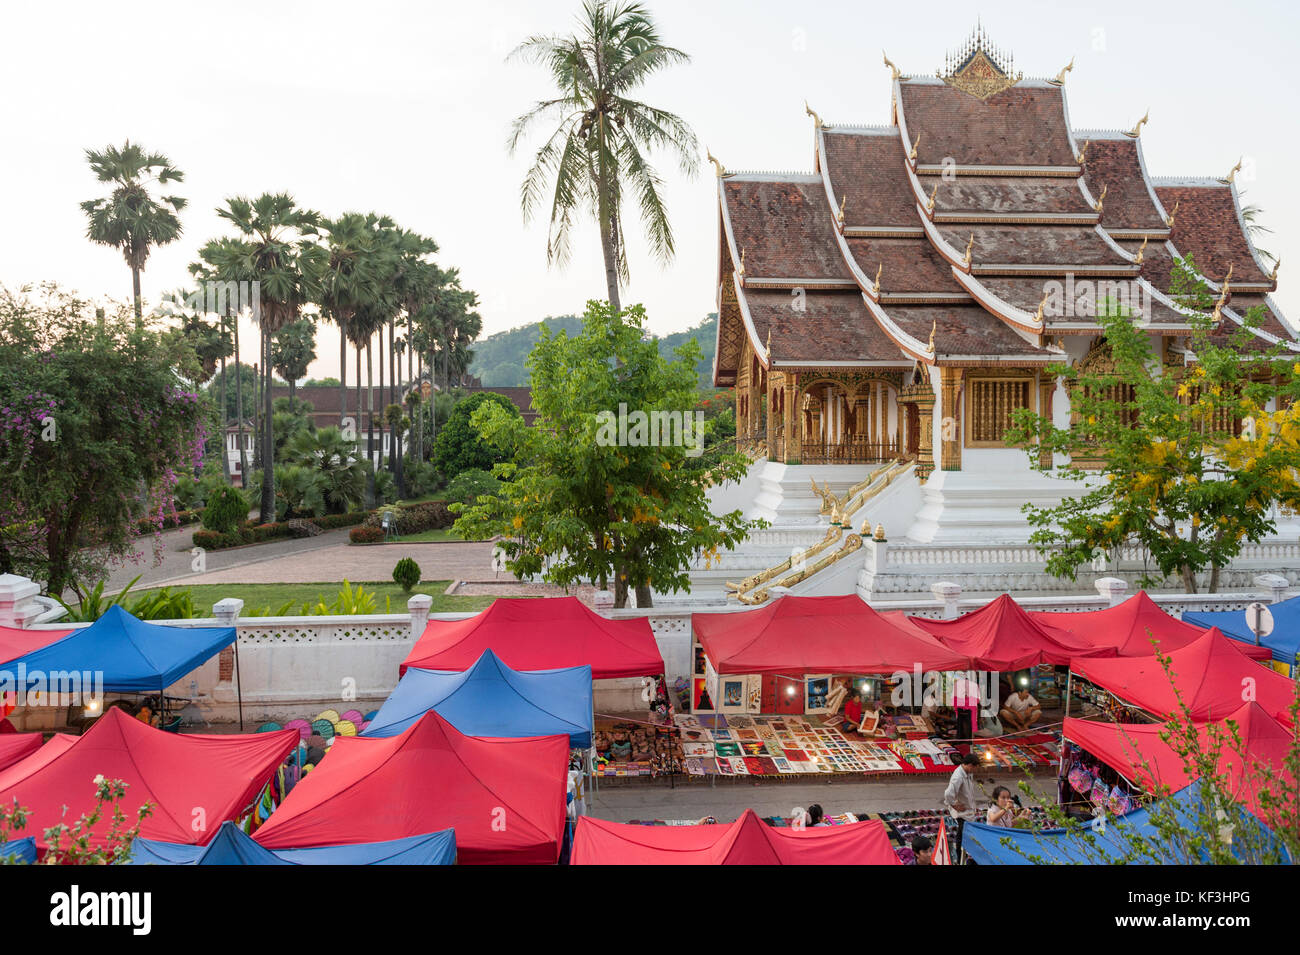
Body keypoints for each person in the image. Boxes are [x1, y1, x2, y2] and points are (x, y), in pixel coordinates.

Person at [943, 752, 982, 853]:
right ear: (969, 765)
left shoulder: (967, 773)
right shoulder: (958, 777)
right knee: (962, 836)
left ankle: (964, 853)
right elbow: (948, 794)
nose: (975, 771)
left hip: (968, 810)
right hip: (962, 813)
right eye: (975, 768)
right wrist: (953, 805)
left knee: (965, 834)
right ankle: (960, 855)